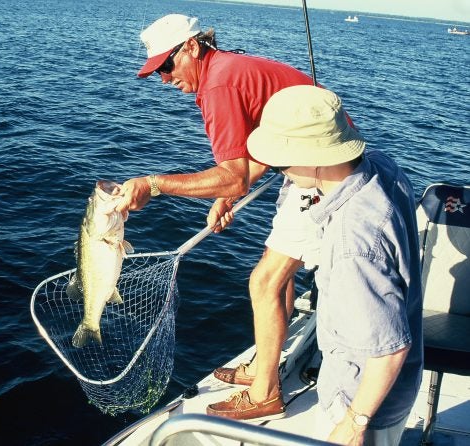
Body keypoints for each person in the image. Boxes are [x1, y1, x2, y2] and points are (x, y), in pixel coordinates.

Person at [114, 13, 326, 420]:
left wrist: (154, 184)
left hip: (321, 175)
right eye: (156, 71)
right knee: (275, 271)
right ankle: (267, 363)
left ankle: (266, 392)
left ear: (191, 47)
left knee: (264, 281)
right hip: (307, 164)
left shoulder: (218, 85)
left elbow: (233, 177)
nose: (164, 79)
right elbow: (264, 148)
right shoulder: (228, 69)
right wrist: (233, 188)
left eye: (166, 66)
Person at [243, 85, 423, 445]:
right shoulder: (382, 167)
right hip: (401, 386)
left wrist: (353, 423)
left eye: (281, 162)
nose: (280, 173)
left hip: (360, 400)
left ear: (315, 156)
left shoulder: (352, 243)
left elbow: (389, 349)